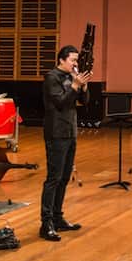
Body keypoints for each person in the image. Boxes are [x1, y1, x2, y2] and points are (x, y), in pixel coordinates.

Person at [40, 44, 87, 241]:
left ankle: (58, 218)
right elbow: (60, 102)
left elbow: (83, 102)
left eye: (76, 60)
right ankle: (46, 223)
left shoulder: (71, 77)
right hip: (56, 132)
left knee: (65, 177)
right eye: (72, 60)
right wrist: (75, 86)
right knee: (54, 178)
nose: (75, 64)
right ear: (61, 60)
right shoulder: (52, 77)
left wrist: (83, 87)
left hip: (70, 131)